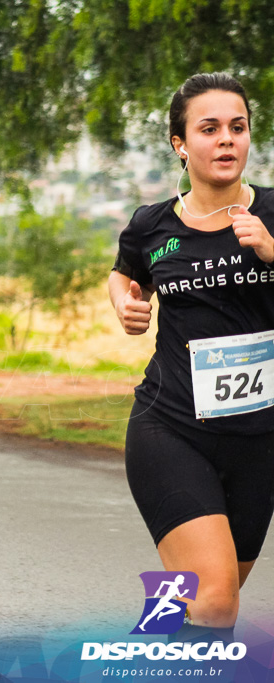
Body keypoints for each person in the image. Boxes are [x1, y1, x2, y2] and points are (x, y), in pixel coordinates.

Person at [110, 72, 274, 641]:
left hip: (260, 440)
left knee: (197, 598)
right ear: (181, 145)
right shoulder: (152, 225)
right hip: (172, 427)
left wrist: (272, 253)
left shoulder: (273, 215)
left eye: (238, 127)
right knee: (215, 601)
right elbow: (124, 277)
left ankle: (147, 652)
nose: (226, 140)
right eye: (209, 129)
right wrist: (126, 308)